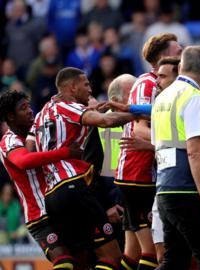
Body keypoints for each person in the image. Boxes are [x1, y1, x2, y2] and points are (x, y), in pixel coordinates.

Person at [29, 67, 139, 270]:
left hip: (52, 197)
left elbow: (30, 149)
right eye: (86, 84)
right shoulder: (67, 106)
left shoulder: (42, 114)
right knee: (112, 258)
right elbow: (105, 121)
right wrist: (136, 114)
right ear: (72, 87)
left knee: (83, 261)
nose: (90, 90)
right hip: (73, 188)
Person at [151, 46, 200, 270]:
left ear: (180, 67)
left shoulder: (162, 98)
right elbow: (194, 150)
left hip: (165, 188)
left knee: (175, 261)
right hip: (188, 191)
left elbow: (158, 145)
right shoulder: (194, 97)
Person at [115, 33, 181, 270]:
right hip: (138, 173)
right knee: (152, 251)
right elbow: (139, 128)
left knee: (131, 253)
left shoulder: (171, 88)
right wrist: (172, 148)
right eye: (178, 50)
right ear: (163, 56)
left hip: (142, 172)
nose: (182, 54)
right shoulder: (147, 82)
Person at [0, 91, 83, 269]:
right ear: (11, 116)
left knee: (83, 261)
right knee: (64, 262)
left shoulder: (38, 132)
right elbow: (24, 161)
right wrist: (66, 152)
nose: (30, 111)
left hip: (60, 206)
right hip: (39, 216)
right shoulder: (9, 141)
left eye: (29, 106)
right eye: (23, 108)